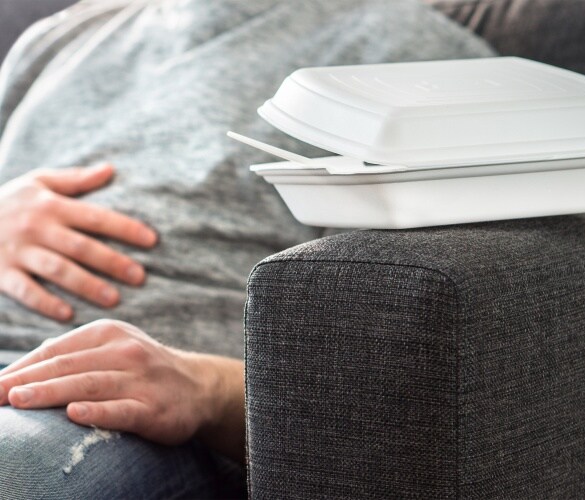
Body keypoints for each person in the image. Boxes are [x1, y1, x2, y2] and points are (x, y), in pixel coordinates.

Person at [0, 0, 494, 497]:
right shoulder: (58, 40)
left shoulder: (414, 63)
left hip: (115, 412)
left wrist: (211, 389)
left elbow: (420, 390)